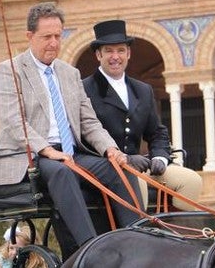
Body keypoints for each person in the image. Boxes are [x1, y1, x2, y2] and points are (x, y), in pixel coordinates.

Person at [0, 2, 138, 255]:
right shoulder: (9, 70)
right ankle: (90, 248)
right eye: (46, 36)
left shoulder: (69, 73)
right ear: (30, 37)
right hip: (32, 156)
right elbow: (14, 121)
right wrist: (47, 150)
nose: (53, 43)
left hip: (72, 153)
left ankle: (139, 238)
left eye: (58, 36)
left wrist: (111, 149)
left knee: (119, 168)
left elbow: (89, 122)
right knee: (62, 173)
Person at [82, 19, 203, 210]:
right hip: (107, 167)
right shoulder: (85, 89)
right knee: (137, 185)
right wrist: (126, 159)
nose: (116, 57)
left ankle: (181, 237)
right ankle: (143, 238)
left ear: (128, 53)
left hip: (140, 167)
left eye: (121, 50)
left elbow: (157, 133)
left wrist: (160, 158)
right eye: (109, 51)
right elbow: (83, 139)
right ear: (98, 54)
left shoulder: (142, 90)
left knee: (191, 181)